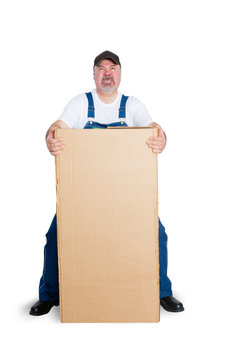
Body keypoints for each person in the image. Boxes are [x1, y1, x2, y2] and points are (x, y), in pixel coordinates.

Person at [29, 51, 184, 316]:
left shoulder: (133, 106)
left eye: (112, 68)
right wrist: (50, 137)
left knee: (158, 233)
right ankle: (50, 294)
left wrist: (162, 139)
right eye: (101, 69)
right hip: (85, 195)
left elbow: (155, 129)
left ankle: (162, 292)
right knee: (55, 234)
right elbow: (57, 126)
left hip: (127, 195)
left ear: (120, 73)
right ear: (94, 74)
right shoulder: (80, 104)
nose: (107, 73)